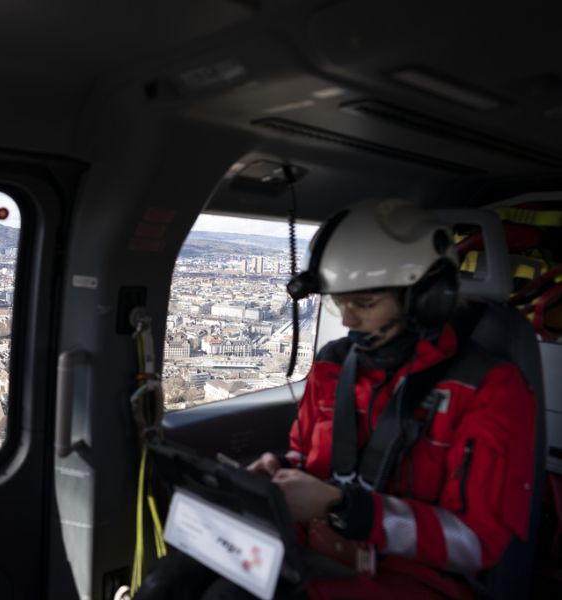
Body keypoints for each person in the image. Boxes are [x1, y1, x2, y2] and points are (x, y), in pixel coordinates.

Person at [138, 199, 537, 600]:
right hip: (314, 546)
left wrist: (344, 507)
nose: (347, 321)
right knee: (167, 583)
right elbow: (307, 457)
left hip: (414, 578)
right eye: (340, 302)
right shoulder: (334, 366)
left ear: (427, 297)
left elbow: (476, 543)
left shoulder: (490, 390)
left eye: (363, 304)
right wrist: (281, 470)